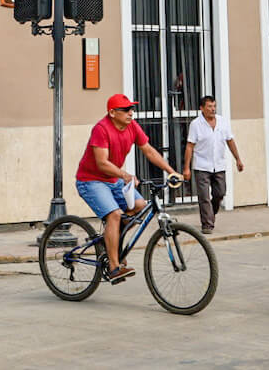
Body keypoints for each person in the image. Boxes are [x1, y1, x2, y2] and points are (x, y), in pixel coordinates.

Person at [75, 94, 181, 283]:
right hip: (91, 181)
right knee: (114, 215)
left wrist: (171, 172)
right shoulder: (101, 129)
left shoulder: (132, 126)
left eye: (132, 109)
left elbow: (149, 150)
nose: (131, 113)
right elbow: (101, 163)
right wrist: (125, 175)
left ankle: (111, 239)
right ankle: (114, 267)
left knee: (140, 206)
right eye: (125, 110)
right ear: (112, 112)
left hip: (113, 179)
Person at [181, 95, 243, 234]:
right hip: (202, 166)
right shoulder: (196, 124)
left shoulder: (222, 122)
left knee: (220, 193)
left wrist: (238, 159)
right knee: (204, 197)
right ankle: (207, 225)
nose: (213, 109)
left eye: (214, 106)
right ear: (202, 108)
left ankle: (211, 214)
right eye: (209, 106)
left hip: (219, 165)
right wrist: (186, 168)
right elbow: (190, 146)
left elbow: (230, 141)